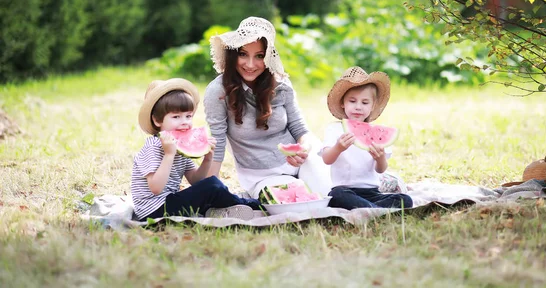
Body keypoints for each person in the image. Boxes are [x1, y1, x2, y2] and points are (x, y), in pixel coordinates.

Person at [203, 16, 331, 199]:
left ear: (269, 57)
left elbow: (300, 128)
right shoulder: (218, 91)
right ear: (233, 54)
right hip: (261, 176)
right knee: (294, 204)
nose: (250, 64)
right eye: (243, 54)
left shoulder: (282, 84)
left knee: (331, 196)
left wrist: (305, 148)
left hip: (302, 163)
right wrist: (209, 190)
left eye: (259, 56)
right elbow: (218, 142)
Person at [131, 78, 262, 221]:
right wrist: (169, 155)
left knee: (209, 184)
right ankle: (248, 204)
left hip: (170, 203)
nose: (185, 122)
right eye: (176, 117)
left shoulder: (180, 146)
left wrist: (207, 159)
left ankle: (219, 210)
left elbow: (195, 180)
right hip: (154, 211)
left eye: (188, 116)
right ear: (157, 120)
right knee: (212, 185)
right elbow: (155, 188)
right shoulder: (153, 147)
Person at [319, 67, 413, 210]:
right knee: (337, 195)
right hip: (345, 190)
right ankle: (376, 210)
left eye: (364, 102)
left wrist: (380, 158)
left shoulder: (377, 134)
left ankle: (369, 208)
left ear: (372, 106)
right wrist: (338, 147)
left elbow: (381, 170)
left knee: (405, 200)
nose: (358, 107)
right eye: (352, 101)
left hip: (372, 192)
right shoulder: (334, 129)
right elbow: (327, 159)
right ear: (342, 103)